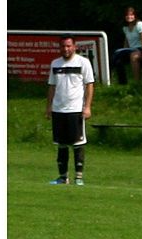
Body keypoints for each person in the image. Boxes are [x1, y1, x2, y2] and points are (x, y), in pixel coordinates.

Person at [46, 34, 94, 186]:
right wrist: (49, 107)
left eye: (68, 46)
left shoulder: (83, 62)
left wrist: (87, 106)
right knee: (61, 144)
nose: (66, 49)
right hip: (58, 110)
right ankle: (62, 177)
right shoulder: (55, 63)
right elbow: (52, 86)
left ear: (74, 47)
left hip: (75, 110)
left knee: (77, 144)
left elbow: (89, 85)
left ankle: (78, 177)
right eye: (63, 46)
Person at [112, 7, 142, 85]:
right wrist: (124, 50)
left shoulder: (139, 24)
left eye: (131, 15)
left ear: (135, 16)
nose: (129, 17)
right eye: (127, 15)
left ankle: (137, 82)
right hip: (130, 49)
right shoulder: (125, 28)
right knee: (117, 57)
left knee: (133, 56)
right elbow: (126, 41)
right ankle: (122, 82)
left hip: (141, 48)